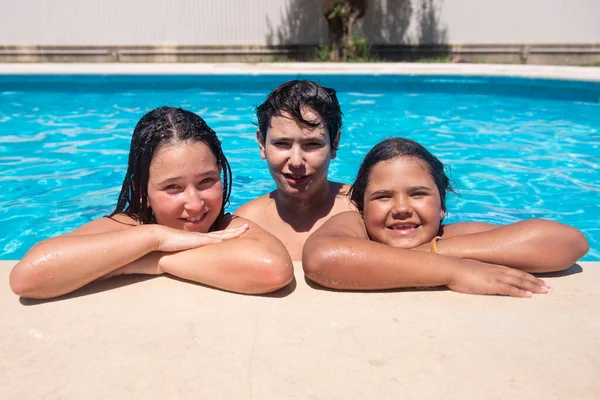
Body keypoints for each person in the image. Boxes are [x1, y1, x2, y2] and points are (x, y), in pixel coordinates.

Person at [10, 107, 293, 299]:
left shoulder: (226, 226)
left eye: (207, 181)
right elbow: (27, 277)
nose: (195, 204)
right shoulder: (130, 226)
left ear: (220, 173)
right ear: (142, 191)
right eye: (173, 187)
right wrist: (154, 236)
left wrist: (151, 260)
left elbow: (273, 269)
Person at [303, 138, 589, 297]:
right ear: (362, 208)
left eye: (418, 194)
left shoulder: (450, 236)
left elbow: (570, 242)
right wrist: (455, 271)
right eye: (383, 196)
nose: (401, 207)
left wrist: (436, 250)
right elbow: (322, 259)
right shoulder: (355, 227)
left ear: (441, 207)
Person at [235, 80, 353, 260]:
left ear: (334, 144)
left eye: (312, 144)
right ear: (261, 143)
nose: (296, 162)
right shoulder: (245, 223)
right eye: (282, 143)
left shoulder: (362, 208)